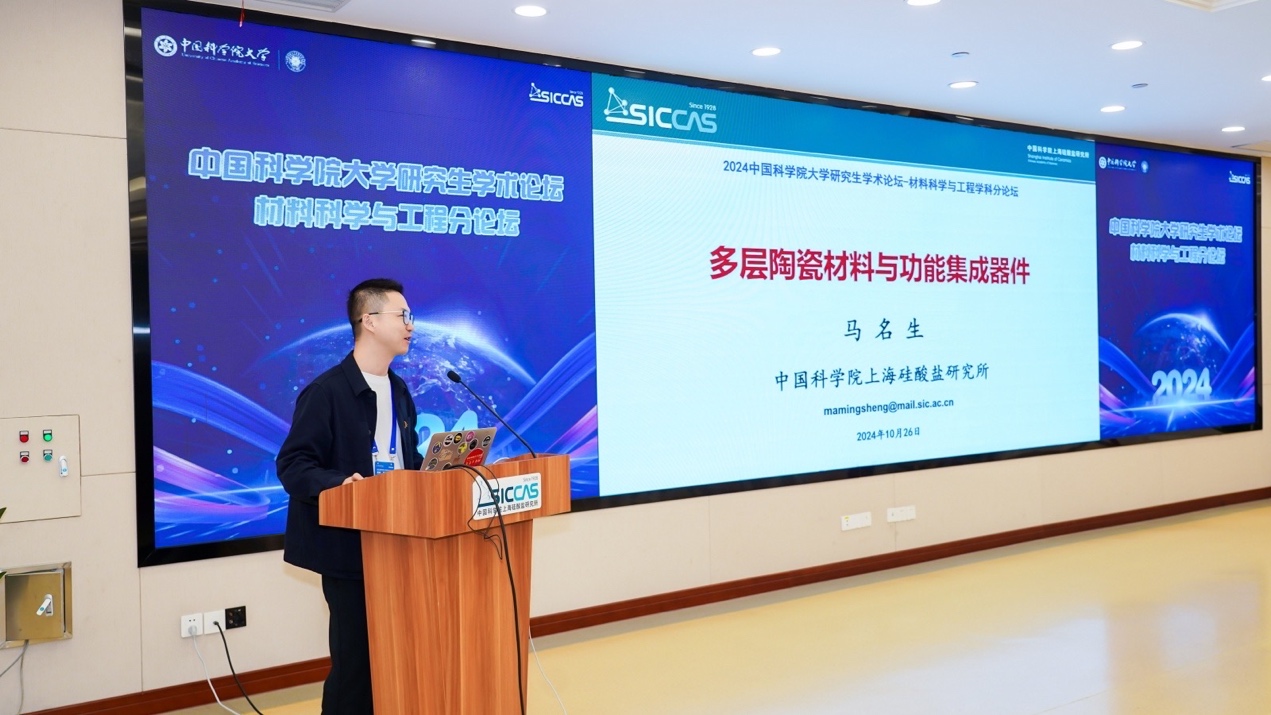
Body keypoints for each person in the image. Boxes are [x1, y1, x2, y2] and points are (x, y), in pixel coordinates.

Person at [276, 278, 424, 714]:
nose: (411, 325)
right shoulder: (326, 392)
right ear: (369, 321)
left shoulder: (399, 390)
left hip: (400, 541)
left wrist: (439, 472)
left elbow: (405, 460)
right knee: (356, 666)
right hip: (349, 549)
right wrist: (339, 484)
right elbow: (294, 464)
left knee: (399, 657)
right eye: (402, 315)